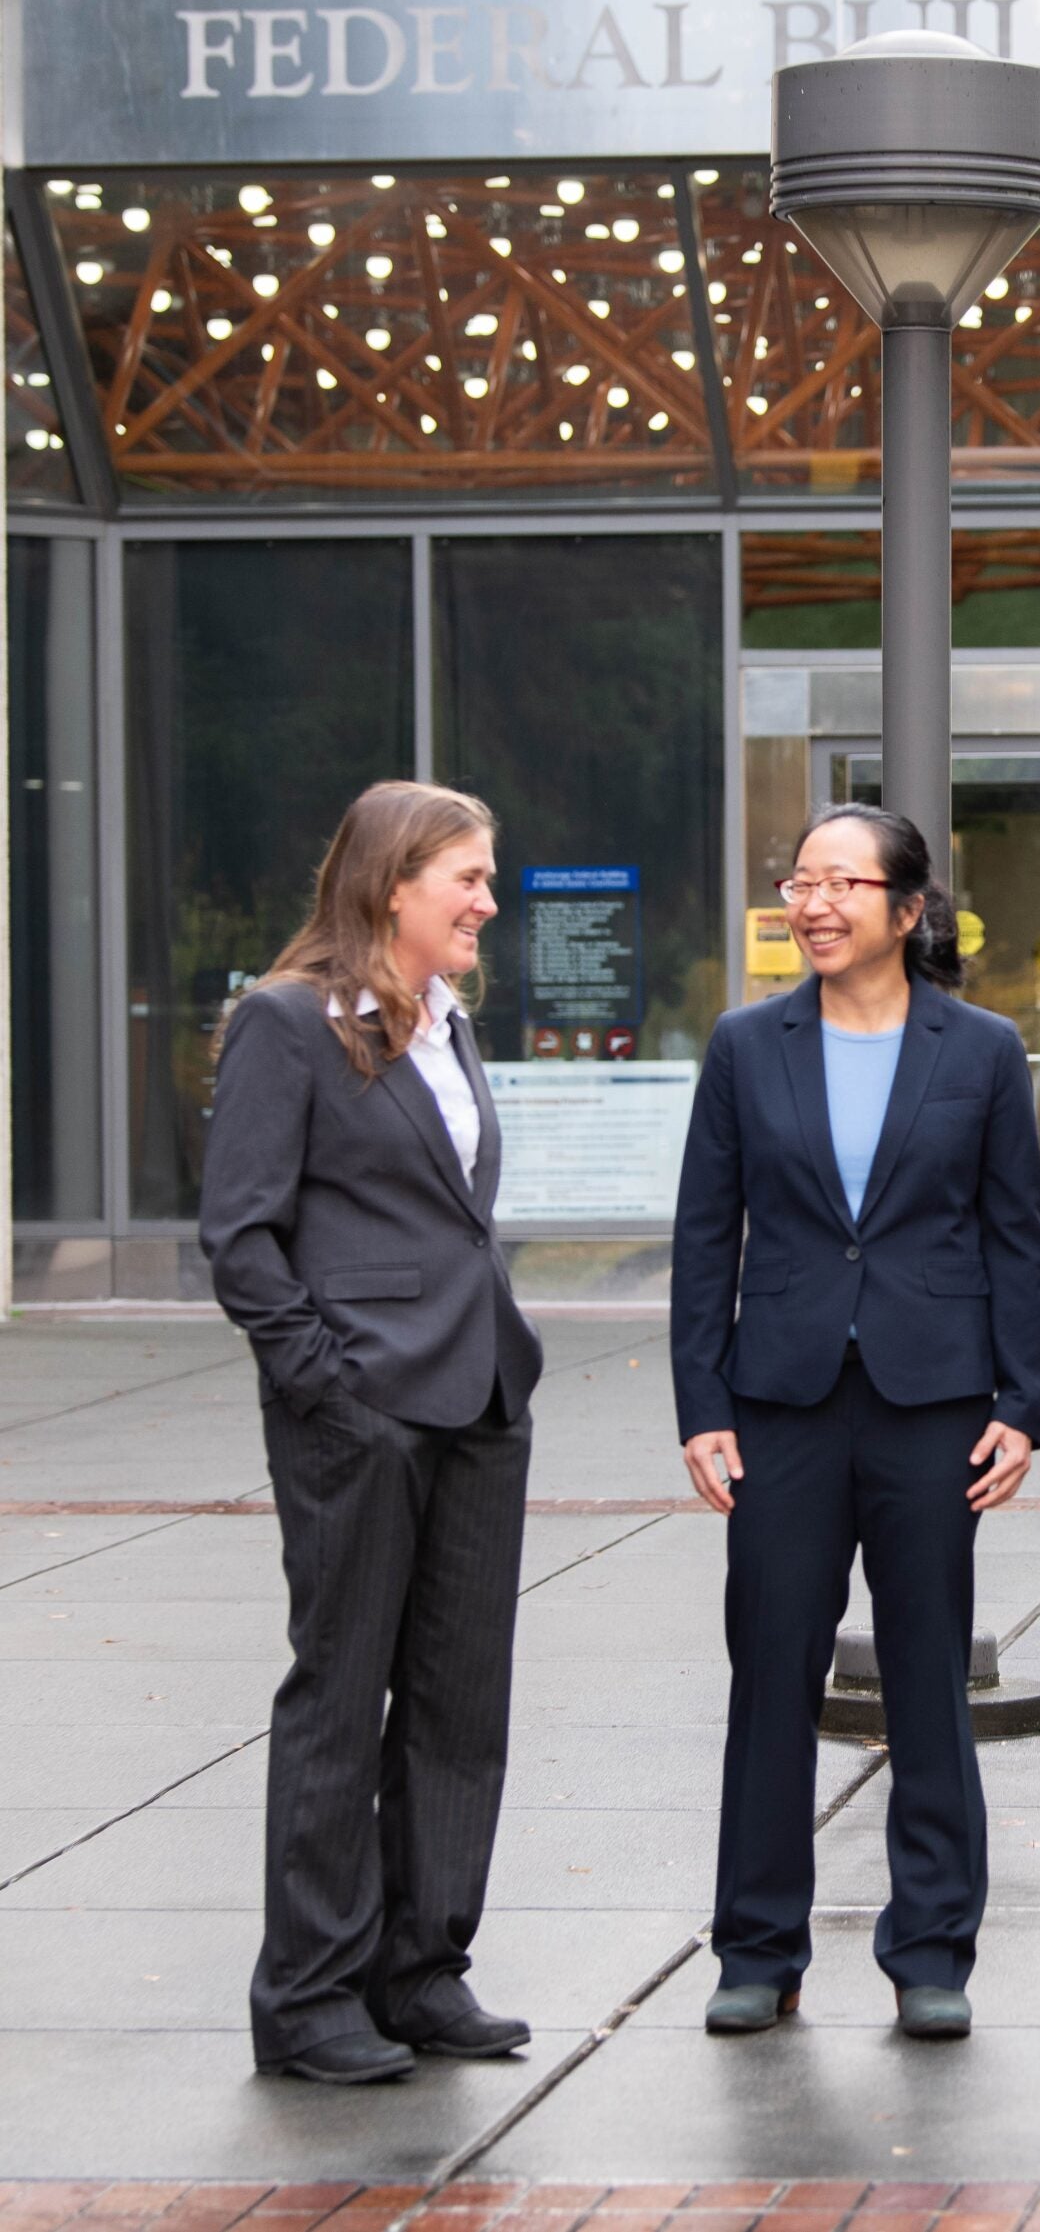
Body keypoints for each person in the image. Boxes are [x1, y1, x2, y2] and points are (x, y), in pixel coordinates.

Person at [670, 802, 1040, 2042]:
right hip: (778, 1400)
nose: (813, 903)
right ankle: (758, 1949)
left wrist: (1020, 1403)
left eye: (842, 882)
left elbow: (1013, 1238)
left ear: (907, 907)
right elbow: (701, 1236)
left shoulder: (982, 1049)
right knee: (770, 1670)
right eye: (800, 881)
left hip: (931, 1401)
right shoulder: (744, 1045)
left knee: (928, 1675)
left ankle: (931, 1947)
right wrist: (701, 1402)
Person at [200, 781, 545, 2086]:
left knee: (460, 1705)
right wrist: (324, 1387)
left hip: (480, 1402)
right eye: (467, 875)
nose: (487, 902)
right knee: (342, 1697)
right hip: (361, 1414)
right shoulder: (289, 1023)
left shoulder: (448, 1024)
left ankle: (420, 1968)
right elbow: (241, 1235)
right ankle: (308, 1993)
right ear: (393, 882)